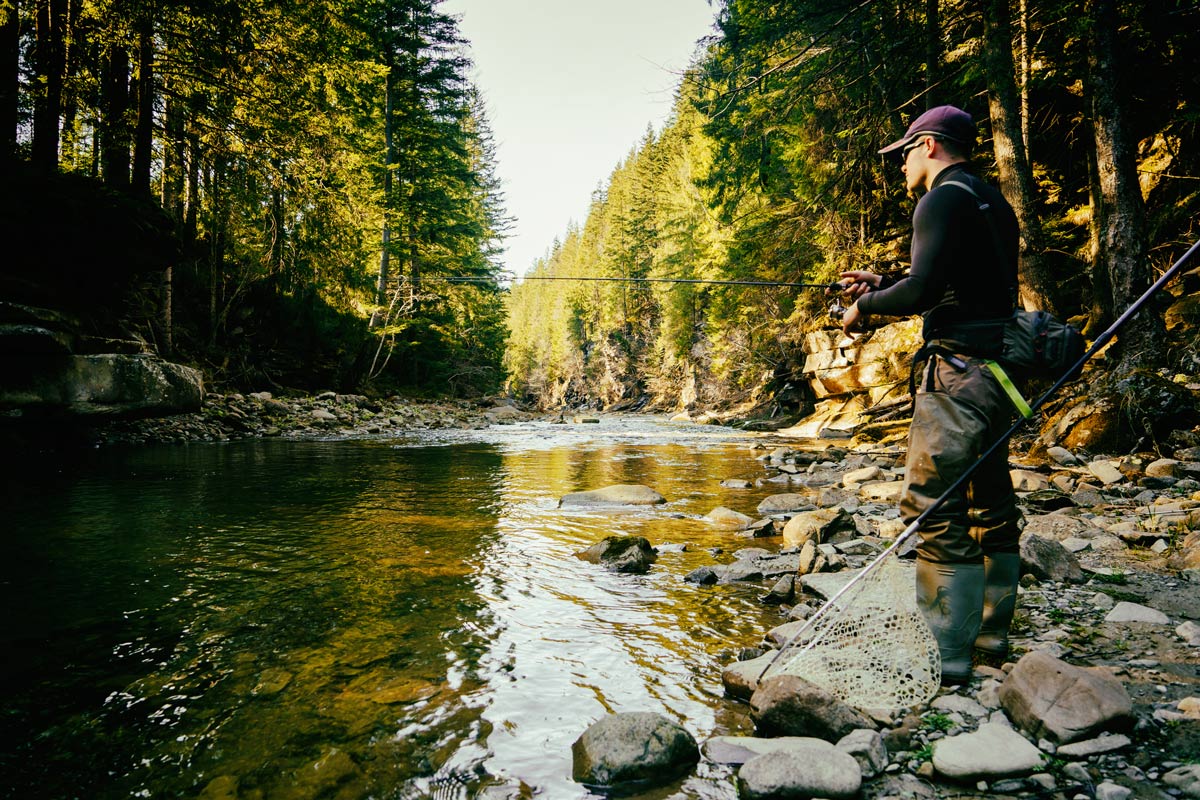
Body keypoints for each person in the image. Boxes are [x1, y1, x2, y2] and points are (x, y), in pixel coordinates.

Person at [836, 105, 1023, 684]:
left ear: (931, 145)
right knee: (989, 500)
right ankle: (990, 633)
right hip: (999, 373)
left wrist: (864, 306)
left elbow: (922, 293)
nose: (901, 165)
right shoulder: (992, 201)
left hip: (957, 374)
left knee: (935, 505)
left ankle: (947, 655)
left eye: (905, 153)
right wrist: (886, 282)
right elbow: (959, 283)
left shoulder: (939, 199)